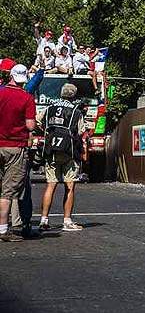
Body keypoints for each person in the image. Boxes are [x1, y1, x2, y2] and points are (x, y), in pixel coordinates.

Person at [38, 83, 86, 232]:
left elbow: (37, 122)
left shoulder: (49, 108)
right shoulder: (76, 111)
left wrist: (49, 133)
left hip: (51, 150)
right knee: (69, 186)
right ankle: (67, 221)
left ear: (61, 93)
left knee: (50, 184)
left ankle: (44, 220)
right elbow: (80, 131)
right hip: (68, 152)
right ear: (74, 96)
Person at [0, 64, 36, 242]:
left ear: (10, 76)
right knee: (8, 192)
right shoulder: (26, 97)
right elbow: (30, 125)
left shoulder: (1, 93)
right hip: (15, 146)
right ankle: (3, 229)